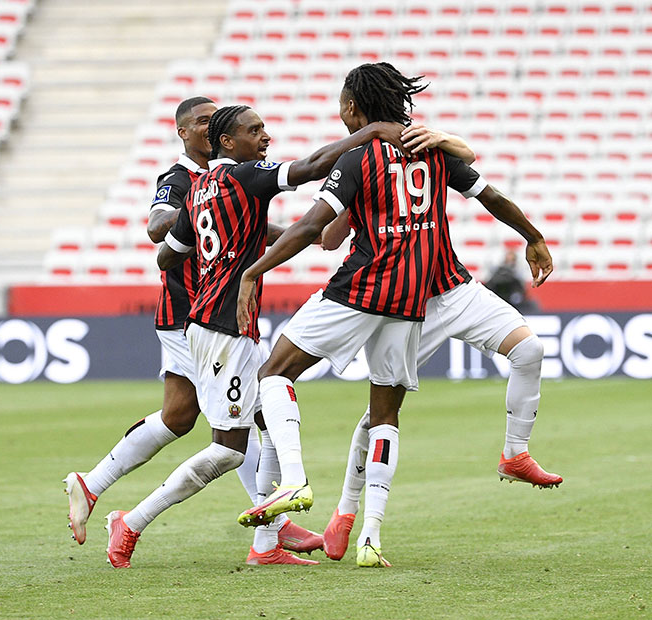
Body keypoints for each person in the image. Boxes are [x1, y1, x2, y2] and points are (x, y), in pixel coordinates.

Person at [232, 63, 532, 568]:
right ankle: (364, 534)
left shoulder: (358, 157)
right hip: (411, 302)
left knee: (272, 375)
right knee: (384, 416)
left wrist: (253, 271)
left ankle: (295, 480)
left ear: (352, 107)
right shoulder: (431, 150)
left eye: (341, 102)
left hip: (360, 288)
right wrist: (535, 237)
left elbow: (313, 230)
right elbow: (490, 192)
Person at [103, 102, 406, 568]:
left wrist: (216, 250)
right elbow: (314, 166)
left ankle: (265, 545)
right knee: (227, 451)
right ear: (228, 142)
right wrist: (373, 133)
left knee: (272, 418)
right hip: (221, 331)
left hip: (222, 325)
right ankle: (131, 522)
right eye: (255, 130)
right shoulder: (246, 177)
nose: (265, 137)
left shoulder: (201, 188)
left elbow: (166, 258)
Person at [63, 97, 323, 555]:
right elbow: (158, 227)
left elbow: (247, 228)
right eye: (200, 122)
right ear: (184, 132)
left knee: (185, 417)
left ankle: (94, 484)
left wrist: (308, 233)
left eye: (211, 120)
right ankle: (269, 525)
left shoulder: (226, 180)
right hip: (192, 315)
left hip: (204, 316)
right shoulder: (180, 179)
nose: (206, 128)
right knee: (246, 423)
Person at [319, 129, 560, 563]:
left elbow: (484, 185)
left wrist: (533, 235)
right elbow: (331, 239)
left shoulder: (425, 150)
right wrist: (352, 204)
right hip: (402, 301)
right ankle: (347, 512)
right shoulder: (358, 164)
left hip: (455, 288)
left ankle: (515, 453)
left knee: (530, 350)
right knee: (380, 414)